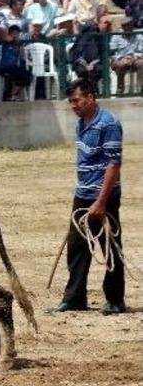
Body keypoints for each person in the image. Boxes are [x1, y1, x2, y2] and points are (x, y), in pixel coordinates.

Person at [50, 79, 125, 315]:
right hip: (82, 194)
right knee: (77, 248)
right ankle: (74, 299)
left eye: (77, 100)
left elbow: (113, 164)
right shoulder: (82, 123)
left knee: (110, 247)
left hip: (103, 197)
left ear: (91, 97)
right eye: (70, 101)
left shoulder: (109, 123)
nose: (73, 105)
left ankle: (115, 300)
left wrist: (101, 202)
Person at [109, 17, 143, 94]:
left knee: (141, 63)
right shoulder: (116, 36)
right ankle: (120, 89)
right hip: (120, 59)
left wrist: (134, 57)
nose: (128, 28)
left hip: (134, 59)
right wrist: (122, 58)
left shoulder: (138, 36)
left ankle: (141, 88)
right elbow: (111, 52)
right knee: (121, 65)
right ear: (123, 27)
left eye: (130, 26)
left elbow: (141, 50)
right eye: (126, 26)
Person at [0, 25, 31, 101]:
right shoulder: (5, 42)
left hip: (13, 67)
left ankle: (12, 95)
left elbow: (23, 56)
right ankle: (12, 95)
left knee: (28, 75)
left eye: (17, 33)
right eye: (13, 33)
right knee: (22, 75)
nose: (15, 35)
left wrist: (19, 43)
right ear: (9, 34)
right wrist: (8, 37)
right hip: (4, 67)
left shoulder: (19, 43)